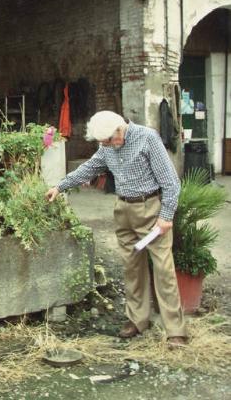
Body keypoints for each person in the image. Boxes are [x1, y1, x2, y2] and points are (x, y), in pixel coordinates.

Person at [45, 110, 187, 348]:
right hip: (123, 210)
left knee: (163, 269)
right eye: (103, 143)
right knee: (132, 267)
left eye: (109, 140)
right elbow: (89, 168)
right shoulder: (107, 146)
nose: (107, 146)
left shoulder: (147, 138)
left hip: (150, 208)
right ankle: (137, 320)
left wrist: (166, 216)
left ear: (120, 129)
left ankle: (175, 330)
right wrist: (60, 187)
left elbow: (171, 182)